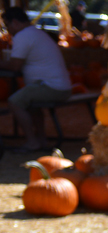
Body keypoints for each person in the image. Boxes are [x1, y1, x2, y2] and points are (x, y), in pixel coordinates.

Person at [0, 7, 72, 154]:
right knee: (31, 104)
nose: (8, 31)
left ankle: (32, 142)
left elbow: (15, 65)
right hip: (59, 86)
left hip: (51, 87)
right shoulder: (36, 33)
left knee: (15, 102)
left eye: (8, 26)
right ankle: (41, 140)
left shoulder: (23, 36)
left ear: (14, 22)